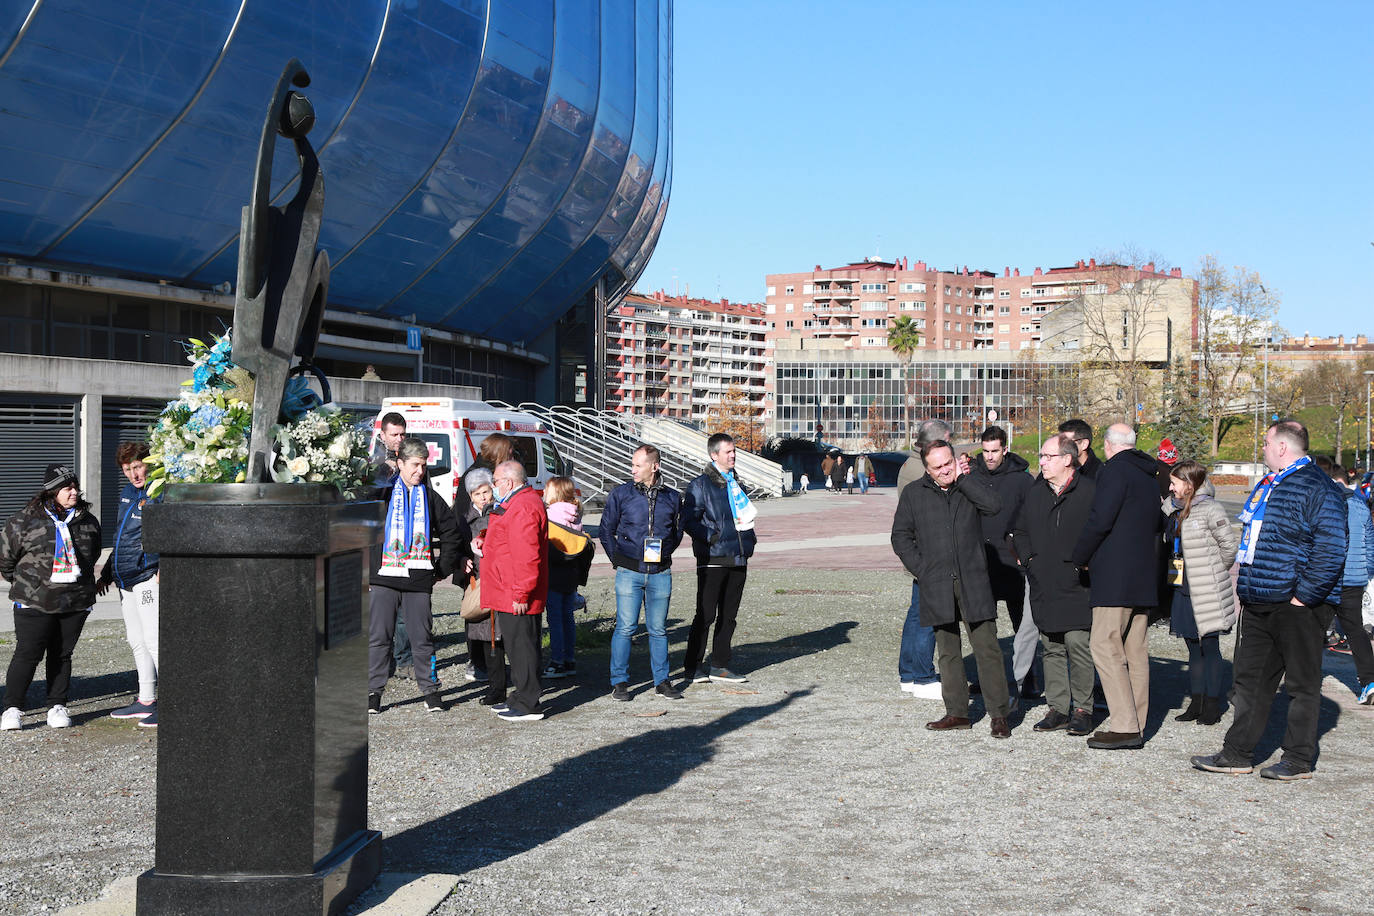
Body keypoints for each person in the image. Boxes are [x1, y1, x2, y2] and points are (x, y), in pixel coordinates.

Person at [1193, 420, 1347, 780]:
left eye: (1265, 443)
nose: (1260, 449)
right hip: (1261, 597)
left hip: (1298, 604)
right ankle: (1237, 753)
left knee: (1302, 684)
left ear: (1282, 448)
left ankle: (1297, 759)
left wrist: (1303, 596)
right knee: (1250, 681)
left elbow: (1331, 547)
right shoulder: (1271, 484)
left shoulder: (1318, 487)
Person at [891, 439, 1011, 737]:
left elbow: (994, 507)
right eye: (938, 467)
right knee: (947, 651)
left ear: (954, 460)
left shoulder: (969, 484)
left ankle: (999, 715)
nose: (945, 470)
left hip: (973, 581)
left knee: (987, 649)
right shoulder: (913, 494)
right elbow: (900, 537)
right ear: (927, 469)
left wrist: (963, 479)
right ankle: (957, 712)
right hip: (937, 582)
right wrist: (923, 569)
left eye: (948, 463)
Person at [1070, 423, 1163, 750]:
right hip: (1142, 575)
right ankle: (1136, 723)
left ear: (1108, 446)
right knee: (1134, 651)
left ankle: (1124, 726)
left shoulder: (1114, 472)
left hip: (1115, 576)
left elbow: (1100, 519)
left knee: (1104, 645)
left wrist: (1078, 555)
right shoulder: (1150, 475)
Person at [367, 438, 463, 716]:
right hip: (384, 576)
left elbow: (451, 532)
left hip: (418, 580)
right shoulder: (382, 494)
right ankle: (373, 692)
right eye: (414, 465)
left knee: (422, 638)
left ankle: (430, 691)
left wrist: (442, 568)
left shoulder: (431, 497)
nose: (420, 471)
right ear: (399, 464)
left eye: (423, 465)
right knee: (379, 638)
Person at [2, 464, 102, 731]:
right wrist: (28, 584)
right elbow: (6, 561)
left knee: (62, 655)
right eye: (67, 488)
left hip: (74, 601)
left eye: (75, 487)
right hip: (33, 600)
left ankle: (57, 705)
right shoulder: (23, 521)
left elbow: (91, 556)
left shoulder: (87, 521)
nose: (74, 492)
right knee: (27, 653)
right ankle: (12, 708)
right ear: (52, 491)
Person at [1012, 434, 1097, 736]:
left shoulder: (1089, 491)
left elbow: (1100, 533)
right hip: (1043, 582)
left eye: (1048, 457)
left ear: (1067, 459)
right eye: (1042, 456)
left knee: (1077, 644)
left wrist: (1082, 564)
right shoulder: (1036, 493)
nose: (1042, 462)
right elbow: (1018, 531)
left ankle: (1084, 709)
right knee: (1051, 646)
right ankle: (1058, 708)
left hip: (1077, 585)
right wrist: (1029, 560)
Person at [599, 444, 684, 700]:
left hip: (660, 573)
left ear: (654, 466)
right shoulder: (621, 494)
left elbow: (677, 531)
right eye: (633, 464)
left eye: (638, 465)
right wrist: (619, 560)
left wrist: (665, 552)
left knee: (658, 629)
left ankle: (662, 681)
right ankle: (620, 682)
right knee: (626, 628)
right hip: (629, 571)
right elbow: (606, 530)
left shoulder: (672, 497)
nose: (632, 469)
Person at [1163, 460, 1239, 726]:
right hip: (1182, 585)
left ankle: (1212, 704)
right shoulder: (1174, 509)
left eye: (1174, 483)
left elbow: (1229, 546)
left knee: (1210, 647)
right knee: (1192, 647)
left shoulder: (1210, 509)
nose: (1170, 487)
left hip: (1206, 587)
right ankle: (1196, 702)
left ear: (1188, 484)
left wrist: (1216, 571)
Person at [967, 425, 1035, 701]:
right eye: (985, 451)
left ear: (1005, 449)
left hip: (1015, 564)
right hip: (983, 563)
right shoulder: (972, 476)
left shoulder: (1022, 480)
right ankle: (988, 679)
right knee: (985, 629)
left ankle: (1028, 680)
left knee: (1024, 628)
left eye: (995, 451)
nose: (990, 456)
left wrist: (1025, 553)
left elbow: (1031, 517)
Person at [681, 433, 756, 685]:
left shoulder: (737, 484)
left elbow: (745, 516)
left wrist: (750, 541)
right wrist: (710, 538)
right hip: (713, 558)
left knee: (729, 615)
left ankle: (720, 665)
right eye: (728, 452)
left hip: (738, 556)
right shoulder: (700, 485)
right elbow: (688, 520)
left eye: (734, 451)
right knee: (705, 615)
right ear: (714, 455)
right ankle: (692, 666)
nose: (733, 455)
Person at [96, 442, 161, 727]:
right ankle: (146, 699)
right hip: (125, 579)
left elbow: (168, 533)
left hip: (148, 576)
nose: (134, 474)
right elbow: (121, 535)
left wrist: (163, 569)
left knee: (154, 640)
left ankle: (176, 703)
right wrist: (109, 572)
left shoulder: (160, 491)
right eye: (127, 470)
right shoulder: (127, 493)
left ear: (148, 463)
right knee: (136, 640)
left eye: (137, 467)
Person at [481, 459, 549, 722]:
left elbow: (526, 555)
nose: (494, 487)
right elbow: (509, 539)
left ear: (508, 482)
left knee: (523, 647)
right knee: (518, 646)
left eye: (496, 482)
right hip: (509, 588)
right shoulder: (517, 503)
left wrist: (521, 593)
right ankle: (521, 697)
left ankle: (528, 702)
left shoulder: (522, 506)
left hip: (516, 591)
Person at [895, 418, 953, 700]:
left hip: (918, 555)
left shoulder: (910, 463)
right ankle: (921, 675)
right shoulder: (921, 471)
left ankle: (909, 673)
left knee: (917, 613)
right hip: (926, 556)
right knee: (926, 616)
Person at [456, 432, 516, 682]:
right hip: (474, 563)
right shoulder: (477, 478)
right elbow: (460, 521)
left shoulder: (489, 477)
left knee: (490, 618)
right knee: (475, 612)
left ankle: (490, 664)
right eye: (509, 453)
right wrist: (462, 556)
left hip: (488, 563)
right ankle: (478, 662)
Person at [1316, 459, 1374, 704]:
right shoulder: (1360, 505)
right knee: (1355, 629)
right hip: (1355, 578)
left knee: (1312, 628)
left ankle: (1306, 678)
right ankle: (1370, 681)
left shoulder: (1324, 501)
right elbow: (1370, 544)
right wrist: (1365, 571)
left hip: (1329, 576)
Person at [460, 470, 507, 708]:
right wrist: (462, 560)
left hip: (500, 581)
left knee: (499, 636)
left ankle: (501, 685)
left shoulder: (501, 513)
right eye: (477, 494)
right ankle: (495, 684)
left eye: (486, 491)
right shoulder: (464, 519)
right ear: (470, 495)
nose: (483, 497)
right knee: (485, 636)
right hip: (478, 582)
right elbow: (458, 546)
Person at [543, 476, 594, 680]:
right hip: (571, 572)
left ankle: (557, 661)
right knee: (567, 617)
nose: (544, 493)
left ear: (554, 492)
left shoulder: (550, 514)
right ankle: (569, 659)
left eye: (547, 489)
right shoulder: (575, 514)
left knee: (554, 619)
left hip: (554, 571)